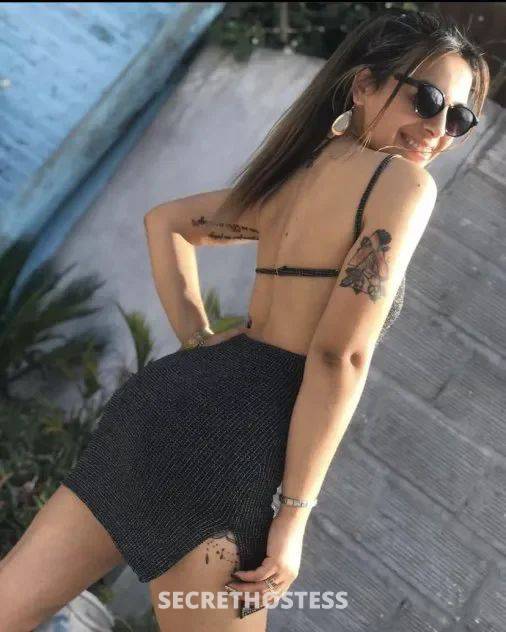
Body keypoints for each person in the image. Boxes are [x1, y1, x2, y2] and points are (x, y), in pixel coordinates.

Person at [0, 9, 489, 632]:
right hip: (235, 451)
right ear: (363, 85)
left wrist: (198, 339)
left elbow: (166, 223)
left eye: (459, 118)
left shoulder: (298, 176)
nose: (438, 128)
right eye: (428, 100)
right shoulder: (404, 186)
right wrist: (294, 518)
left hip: (163, 405)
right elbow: (340, 355)